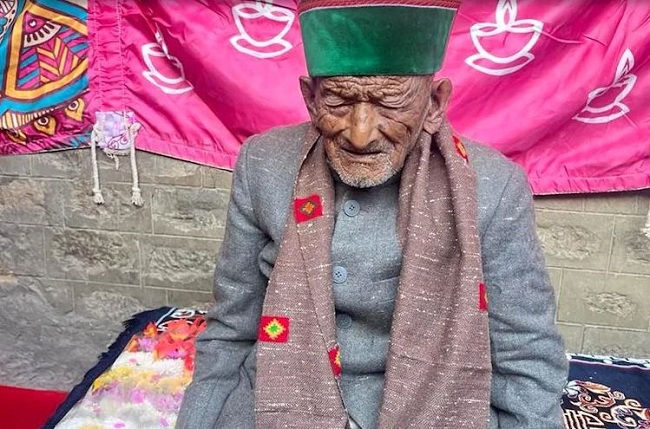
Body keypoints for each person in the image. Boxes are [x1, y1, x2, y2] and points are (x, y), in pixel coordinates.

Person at [176, 1, 568, 428]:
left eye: (389, 103)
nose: (360, 134)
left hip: (434, 406)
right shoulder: (263, 164)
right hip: (278, 395)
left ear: (435, 104)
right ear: (311, 99)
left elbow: (526, 352)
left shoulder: (492, 186)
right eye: (339, 101)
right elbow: (230, 329)